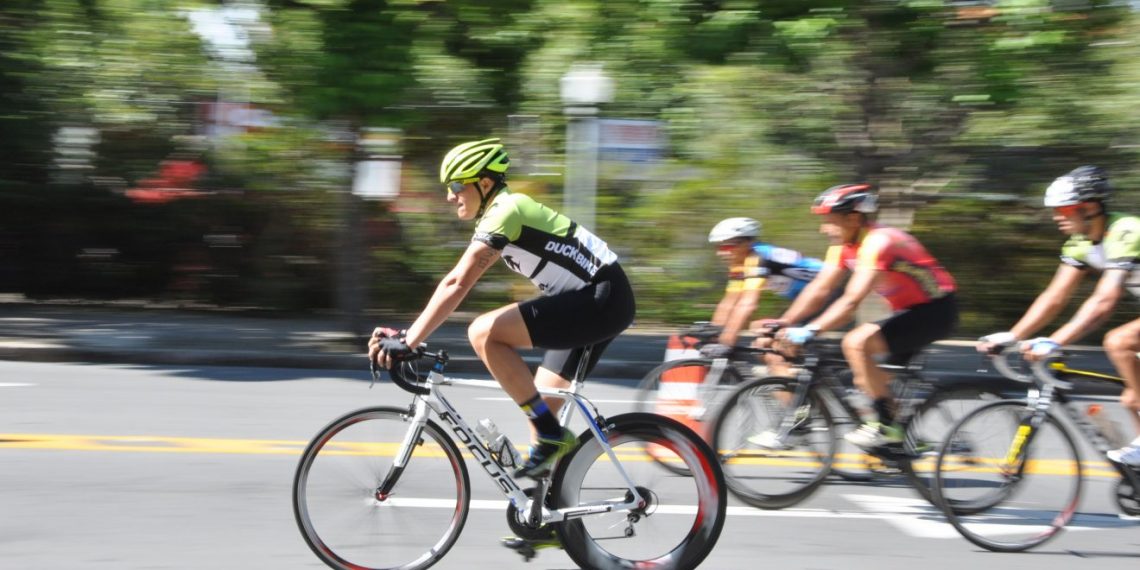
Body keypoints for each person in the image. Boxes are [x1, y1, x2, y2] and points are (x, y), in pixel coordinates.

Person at [369, 138, 636, 479]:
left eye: (456, 186)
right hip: (592, 299)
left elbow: (457, 283)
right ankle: (542, 518)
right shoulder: (501, 213)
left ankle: (552, 440)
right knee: (542, 413)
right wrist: (411, 334)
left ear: (484, 183)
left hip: (601, 299)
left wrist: (409, 340)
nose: (450, 196)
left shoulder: (506, 210)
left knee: (483, 333)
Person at [771, 183, 959, 450]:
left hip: (936, 311)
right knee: (866, 379)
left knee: (855, 343)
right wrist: (786, 322)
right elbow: (820, 288)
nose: (823, 228)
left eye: (830, 221)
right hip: (907, 311)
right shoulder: (844, 245)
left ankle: (884, 427)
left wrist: (811, 330)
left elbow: (851, 300)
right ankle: (901, 442)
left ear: (854, 218)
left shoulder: (879, 241)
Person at [977, 165, 1140, 467]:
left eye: (1063, 209)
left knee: (1119, 342)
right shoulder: (1080, 242)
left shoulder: (1126, 231)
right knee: (1131, 397)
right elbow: (1055, 296)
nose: (1056, 217)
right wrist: (1013, 335)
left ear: (1088, 207)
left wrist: (1055, 341)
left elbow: (1104, 300)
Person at [702, 217, 822, 377]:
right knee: (764, 348)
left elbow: (747, 304)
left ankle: (804, 393)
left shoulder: (758, 257)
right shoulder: (741, 262)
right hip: (804, 301)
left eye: (727, 246)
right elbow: (729, 303)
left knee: (774, 351)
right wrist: (714, 333)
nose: (721, 252)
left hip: (826, 296)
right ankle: (805, 390)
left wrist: (726, 342)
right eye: (718, 247)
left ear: (746, 243)